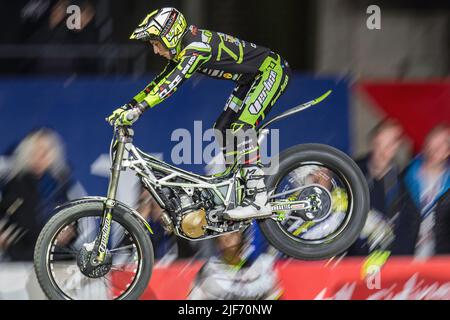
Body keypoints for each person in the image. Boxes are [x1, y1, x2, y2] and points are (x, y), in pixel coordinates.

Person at [107, 7, 291, 220]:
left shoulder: (196, 48)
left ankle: (259, 200)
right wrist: (129, 105)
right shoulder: (186, 48)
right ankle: (238, 186)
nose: (155, 50)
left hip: (271, 71)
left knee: (241, 128)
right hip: (250, 79)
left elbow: (171, 85)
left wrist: (138, 110)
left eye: (156, 43)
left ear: (170, 35)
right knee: (222, 128)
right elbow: (159, 81)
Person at [0, 128, 85, 261]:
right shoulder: (13, 184)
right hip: (20, 258)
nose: (41, 156)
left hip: (57, 257)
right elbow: (3, 216)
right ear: (26, 154)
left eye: (46, 151)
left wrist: (69, 232)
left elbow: (75, 221)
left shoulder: (62, 183)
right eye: (35, 151)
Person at [392, 124, 450, 257]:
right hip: (405, 256)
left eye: (443, 144)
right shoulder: (403, 177)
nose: (437, 148)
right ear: (426, 144)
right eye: (434, 142)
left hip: (441, 257)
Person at [348, 119, 404, 256]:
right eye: (381, 144)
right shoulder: (351, 170)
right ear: (373, 141)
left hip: (384, 261)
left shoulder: (401, 182)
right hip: (349, 260)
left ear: (397, 147)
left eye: (390, 145)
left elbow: (405, 228)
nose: (384, 151)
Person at [188, 230, 282, 300]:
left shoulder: (264, 265)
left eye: (231, 234)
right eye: (221, 236)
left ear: (241, 236)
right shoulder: (208, 270)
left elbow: (275, 293)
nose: (226, 238)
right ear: (217, 242)